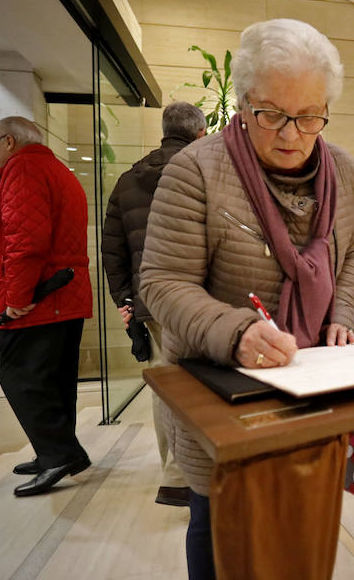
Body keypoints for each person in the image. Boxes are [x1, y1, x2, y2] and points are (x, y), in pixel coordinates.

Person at [139, 19, 354, 578]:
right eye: (271, 114)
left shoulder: (343, 169)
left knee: (302, 523)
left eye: (310, 116)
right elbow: (162, 282)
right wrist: (236, 332)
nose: (291, 134)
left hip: (313, 382)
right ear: (242, 103)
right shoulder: (195, 170)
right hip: (223, 390)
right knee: (220, 524)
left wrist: (339, 314)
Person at [100, 101, 206, 508]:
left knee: (166, 384)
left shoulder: (128, 181)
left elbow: (113, 251)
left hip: (152, 301)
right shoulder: (202, 170)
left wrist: (126, 300)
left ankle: (174, 475)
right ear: (199, 134)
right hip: (199, 298)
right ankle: (199, 472)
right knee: (204, 384)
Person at [0, 116, 93, 496]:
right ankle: (55, 451)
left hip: (39, 300)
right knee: (54, 378)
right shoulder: (55, 169)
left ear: (10, 141)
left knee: (17, 376)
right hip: (65, 297)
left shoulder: (24, 170)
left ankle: (59, 453)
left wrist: (16, 299)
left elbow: (25, 241)